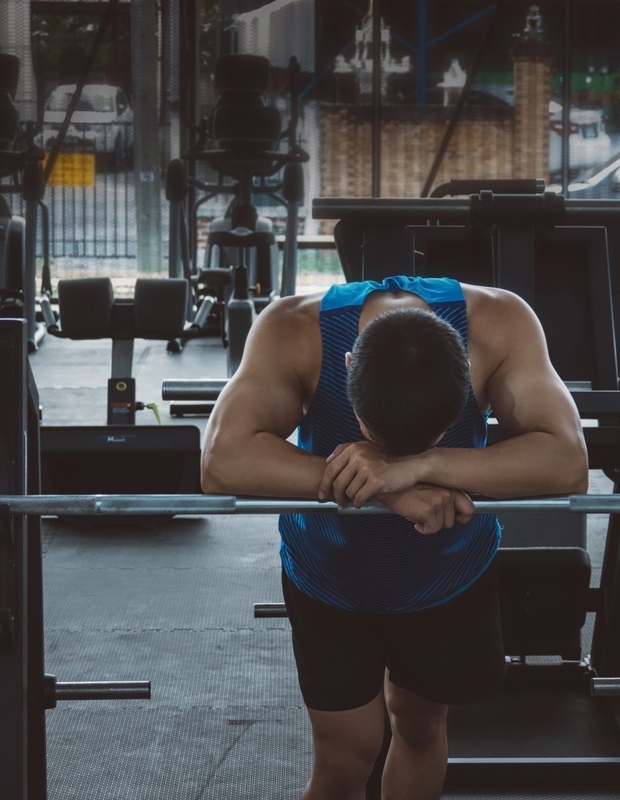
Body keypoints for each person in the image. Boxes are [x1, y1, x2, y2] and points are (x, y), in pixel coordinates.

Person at [201, 275, 589, 800]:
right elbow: (223, 461)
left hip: (445, 574)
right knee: (345, 756)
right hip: (330, 575)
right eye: (378, 441)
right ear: (345, 369)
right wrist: (386, 491)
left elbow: (567, 461)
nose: (396, 458)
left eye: (426, 443)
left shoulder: (501, 323)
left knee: (420, 727)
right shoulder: (292, 330)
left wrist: (421, 465)